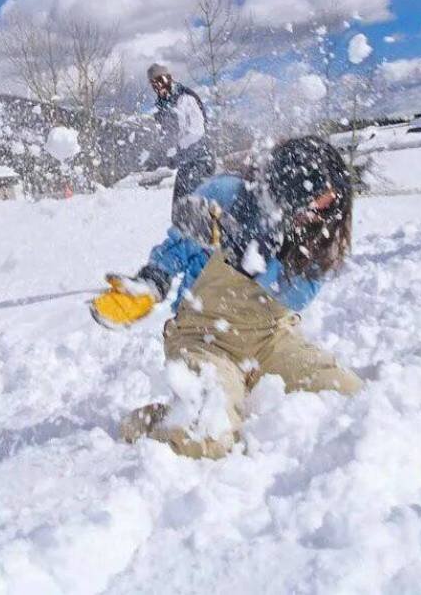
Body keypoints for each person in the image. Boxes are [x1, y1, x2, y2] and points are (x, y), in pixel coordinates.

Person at [89, 136, 363, 459]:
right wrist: (153, 281)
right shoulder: (228, 197)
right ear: (288, 188)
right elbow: (177, 247)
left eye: (329, 203)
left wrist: (250, 252)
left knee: (350, 398)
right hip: (204, 337)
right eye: (315, 201)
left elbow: (298, 295)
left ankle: (233, 393)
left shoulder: (323, 231)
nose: (321, 212)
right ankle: (162, 420)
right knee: (204, 439)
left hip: (271, 338)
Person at [148, 63, 215, 214]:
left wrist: (178, 148)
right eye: (154, 83)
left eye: (161, 80)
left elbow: (197, 131)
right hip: (187, 161)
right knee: (179, 205)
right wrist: (162, 153)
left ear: (169, 79)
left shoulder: (185, 99)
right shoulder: (163, 106)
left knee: (189, 205)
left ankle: (196, 230)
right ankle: (182, 232)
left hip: (201, 160)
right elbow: (168, 135)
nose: (158, 86)